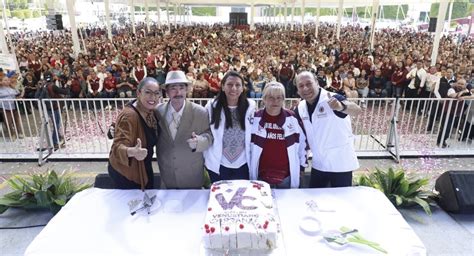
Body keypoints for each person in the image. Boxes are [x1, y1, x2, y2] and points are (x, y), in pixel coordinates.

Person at [295, 71, 362, 188]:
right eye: (301, 86)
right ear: (297, 90)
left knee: (341, 202)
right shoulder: (301, 108)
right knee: (315, 201)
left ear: (317, 83)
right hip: (319, 164)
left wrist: (341, 107)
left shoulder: (332, 98)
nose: (305, 88)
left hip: (340, 164)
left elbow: (356, 110)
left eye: (309, 84)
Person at [155, 70, 213, 189]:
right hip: (167, 177)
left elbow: (209, 136)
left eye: (181, 87)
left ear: (187, 90)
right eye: (173, 88)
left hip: (192, 177)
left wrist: (199, 142)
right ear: (167, 92)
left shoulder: (200, 112)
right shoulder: (157, 112)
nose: (178, 92)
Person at [249, 82, 307, 189]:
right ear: (264, 99)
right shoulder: (255, 118)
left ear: (283, 99)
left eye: (279, 97)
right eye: (271, 97)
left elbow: (302, 144)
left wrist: (302, 167)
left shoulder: (292, 118)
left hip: (286, 178)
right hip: (261, 178)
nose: (275, 101)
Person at [108, 77, 161, 189]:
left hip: (143, 166)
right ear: (138, 93)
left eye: (156, 93)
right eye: (148, 92)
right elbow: (117, 148)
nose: (153, 97)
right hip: (127, 173)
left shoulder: (151, 111)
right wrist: (132, 151)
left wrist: (114, 126)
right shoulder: (130, 116)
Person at [204, 71, 256, 182]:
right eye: (229, 84)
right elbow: (205, 130)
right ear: (222, 87)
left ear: (243, 88)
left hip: (243, 163)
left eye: (238, 85)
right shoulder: (212, 106)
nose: (234, 88)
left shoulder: (250, 106)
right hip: (218, 164)